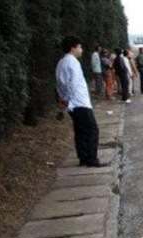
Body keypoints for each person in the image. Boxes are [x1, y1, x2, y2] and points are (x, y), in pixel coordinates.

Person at [56, 36, 104, 167]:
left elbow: (59, 84)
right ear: (73, 47)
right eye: (80, 47)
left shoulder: (61, 62)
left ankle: (83, 157)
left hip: (72, 104)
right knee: (92, 130)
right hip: (79, 102)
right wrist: (67, 98)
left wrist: (62, 100)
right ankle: (92, 159)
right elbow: (73, 84)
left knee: (80, 131)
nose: (81, 50)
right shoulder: (72, 62)